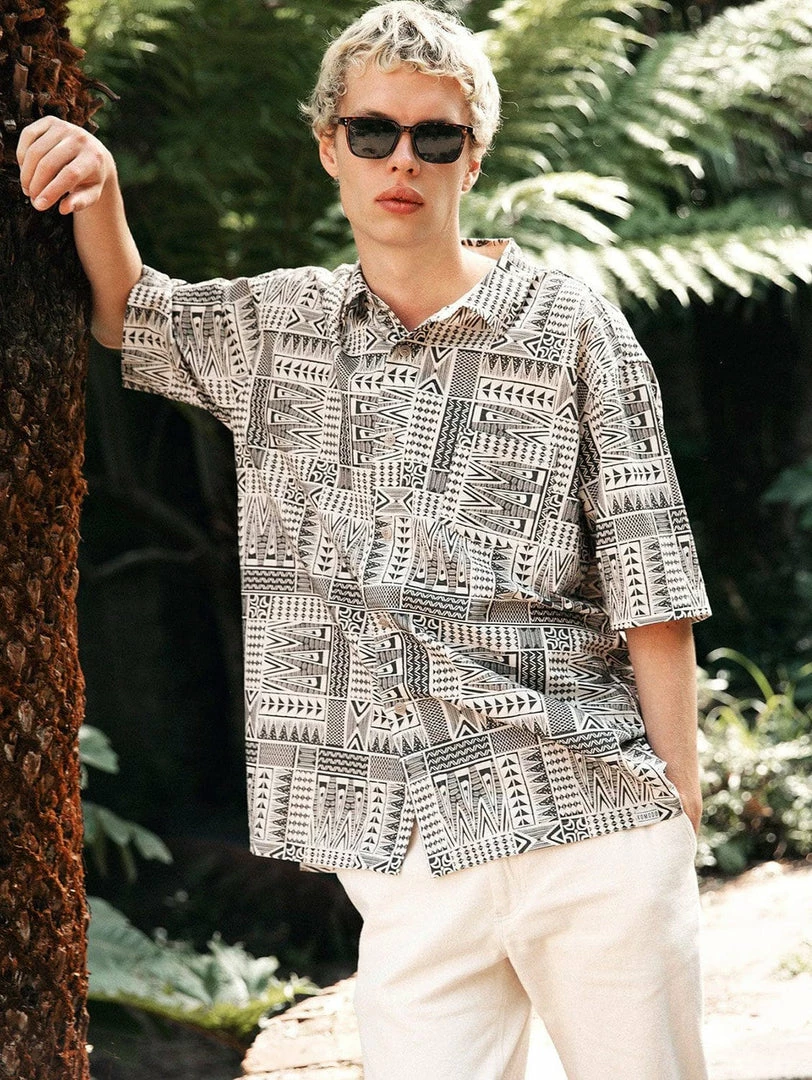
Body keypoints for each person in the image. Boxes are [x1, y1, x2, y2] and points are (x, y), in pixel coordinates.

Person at [18, 3, 712, 1077]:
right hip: (402, 851)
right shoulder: (276, 327)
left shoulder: (571, 326)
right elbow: (130, 314)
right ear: (328, 146)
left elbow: (649, 567)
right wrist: (99, 186)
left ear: (472, 157)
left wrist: (676, 815)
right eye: (373, 130)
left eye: (435, 136)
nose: (403, 160)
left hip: (589, 819)